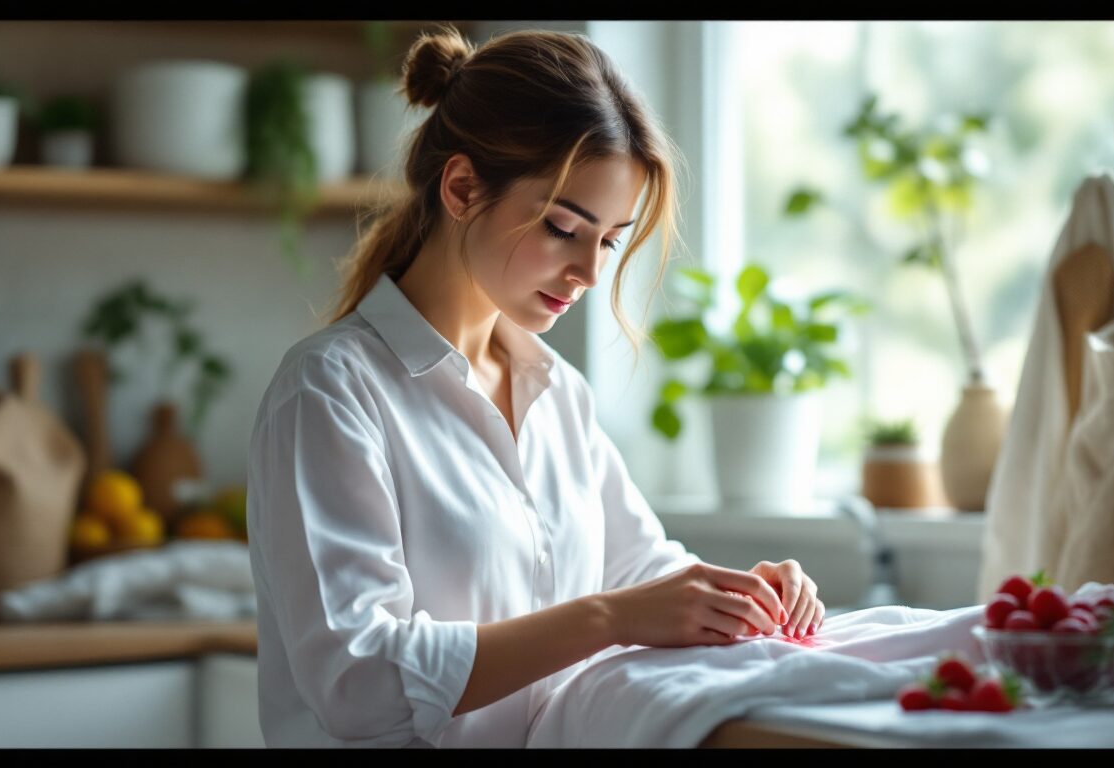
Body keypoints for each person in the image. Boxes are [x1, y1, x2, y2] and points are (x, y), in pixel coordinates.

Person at [246, 24, 825, 749]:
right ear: (461, 187)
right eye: (562, 227)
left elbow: (641, 569)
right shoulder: (331, 392)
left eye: (609, 240)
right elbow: (357, 681)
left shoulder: (558, 394)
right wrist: (607, 618)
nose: (589, 273)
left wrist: (743, 593)